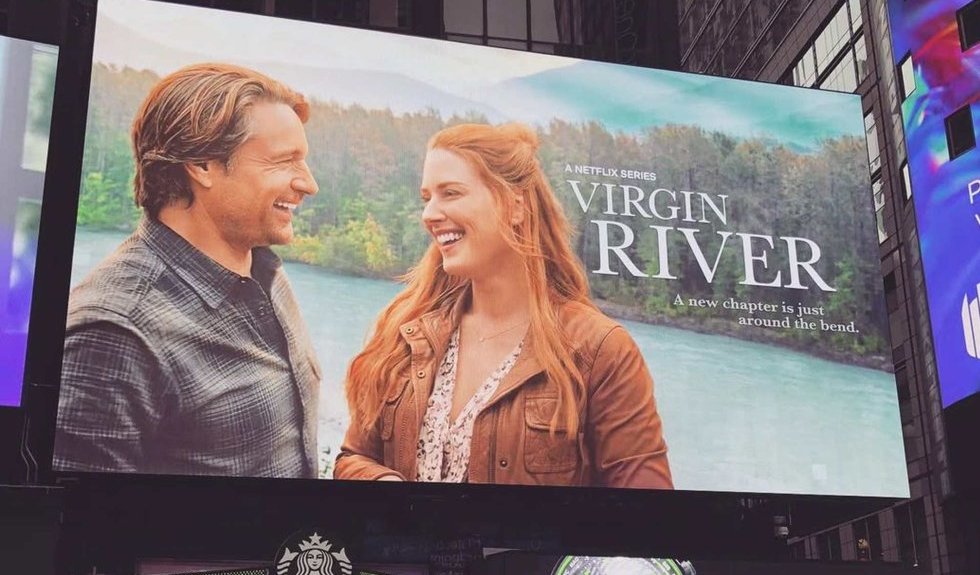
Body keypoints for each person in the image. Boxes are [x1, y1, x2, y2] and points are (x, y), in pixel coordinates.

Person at [335, 122, 673, 490]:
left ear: (516, 205)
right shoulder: (408, 332)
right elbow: (353, 457)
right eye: (427, 197)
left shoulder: (600, 350)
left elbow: (648, 517)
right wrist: (385, 482)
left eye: (450, 193)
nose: (429, 214)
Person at [54, 63, 321, 477]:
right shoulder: (115, 332)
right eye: (284, 162)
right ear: (201, 165)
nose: (308, 184)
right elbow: (82, 528)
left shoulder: (266, 272)